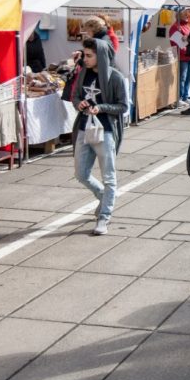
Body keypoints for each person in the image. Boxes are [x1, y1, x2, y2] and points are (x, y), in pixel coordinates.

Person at [71, 38, 128, 236]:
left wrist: (101, 108)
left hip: (106, 131)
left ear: (100, 56)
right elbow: (75, 96)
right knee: (81, 173)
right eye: (84, 55)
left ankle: (104, 216)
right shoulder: (83, 73)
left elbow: (123, 106)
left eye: (89, 56)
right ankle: (103, 196)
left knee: (109, 177)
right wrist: (79, 104)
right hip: (84, 129)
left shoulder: (116, 77)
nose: (84, 59)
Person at [169, 8, 190, 104]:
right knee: (182, 78)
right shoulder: (175, 27)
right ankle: (179, 98)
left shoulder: (187, 26)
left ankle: (185, 96)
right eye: (185, 14)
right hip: (183, 57)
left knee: (188, 77)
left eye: (188, 14)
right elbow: (176, 44)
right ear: (179, 15)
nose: (188, 16)